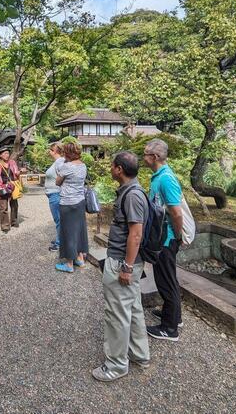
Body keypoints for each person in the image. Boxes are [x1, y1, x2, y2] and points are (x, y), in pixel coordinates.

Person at [92, 151, 150, 382]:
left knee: (116, 313)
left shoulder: (132, 196)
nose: (109, 168)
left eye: (111, 165)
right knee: (133, 308)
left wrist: (126, 267)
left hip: (122, 262)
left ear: (119, 169)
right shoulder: (130, 191)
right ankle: (139, 353)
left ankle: (116, 365)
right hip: (126, 261)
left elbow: (136, 234)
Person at [143, 138, 184, 342]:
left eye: (146, 154)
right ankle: (174, 316)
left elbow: (176, 212)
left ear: (155, 157)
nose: (143, 157)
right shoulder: (158, 176)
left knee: (166, 281)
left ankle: (170, 328)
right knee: (169, 278)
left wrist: (176, 237)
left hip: (167, 239)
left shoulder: (166, 178)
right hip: (163, 237)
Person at [55, 141, 88, 273]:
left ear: (67, 153)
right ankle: (80, 258)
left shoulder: (66, 166)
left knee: (68, 232)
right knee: (79, 230)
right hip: (80, 202)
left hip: (67, 203)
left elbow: (58, 182)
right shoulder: (83, 166)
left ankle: (69, 264)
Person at [0, 147, 20, 233]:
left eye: (7, 153)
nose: (7, 155)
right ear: (0, 155)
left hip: (12, 187)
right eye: (4, 153)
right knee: (3, 207)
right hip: (2, 187)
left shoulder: (12, 162)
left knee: (14, 205)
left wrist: (19, 172)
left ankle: (14, 221)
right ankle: (5, 226)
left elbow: (16, 173)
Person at [44, 142, 65, 251]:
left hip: (56, 194)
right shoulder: (57, 162)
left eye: (51, 150)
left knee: (59, 220)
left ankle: (60, 243)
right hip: (54, 194)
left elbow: (64, 177)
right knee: (58, 219)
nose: (49, 152)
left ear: (55, 151)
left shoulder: (60, 162)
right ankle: (59, 239)